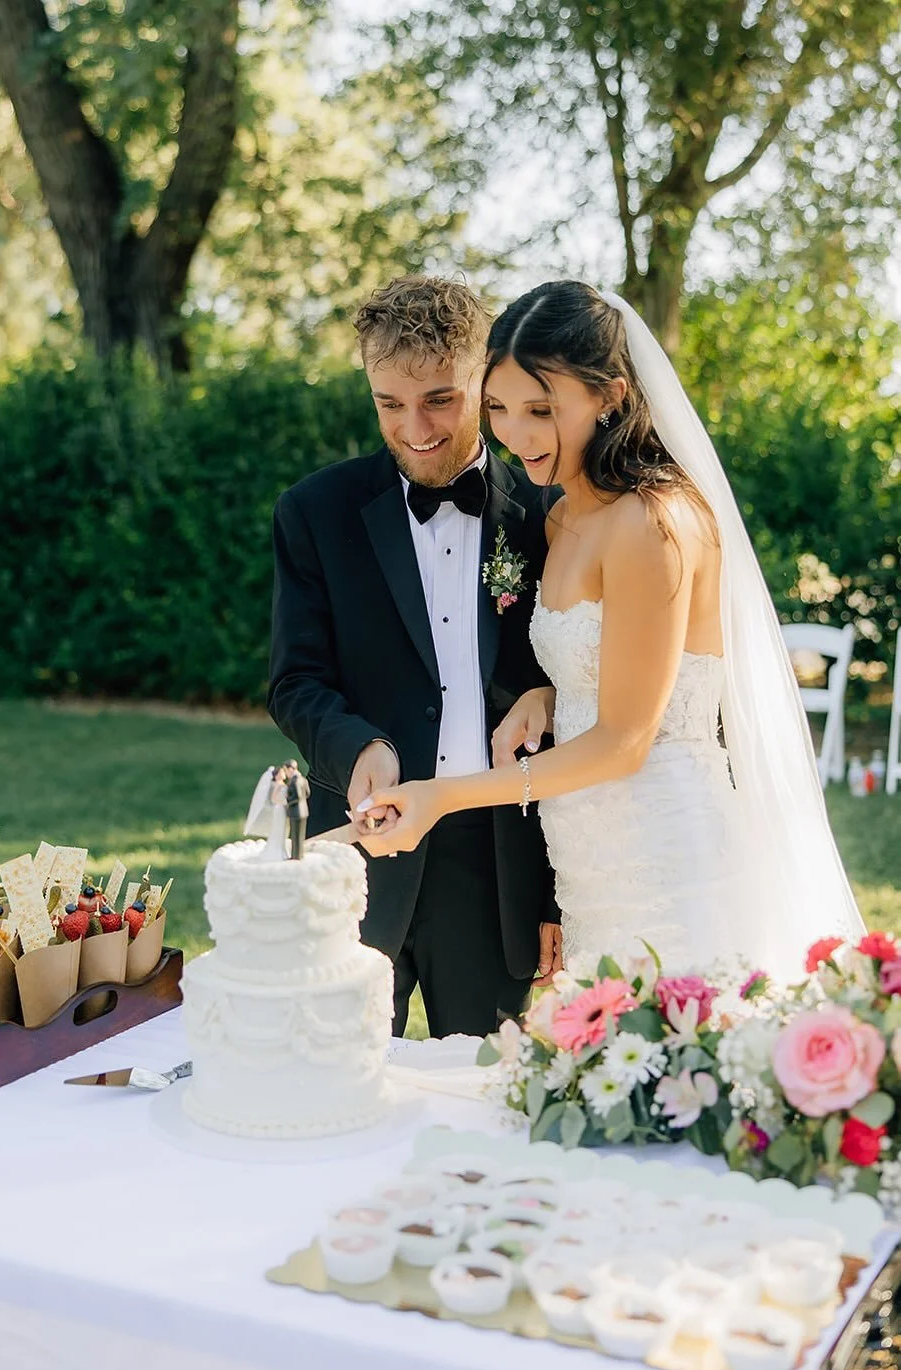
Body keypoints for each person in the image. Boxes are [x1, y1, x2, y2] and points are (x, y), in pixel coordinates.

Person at [354, 280, 863, 982]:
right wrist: (549, 697)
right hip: (590, 863)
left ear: (610, 394)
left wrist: (442, 794)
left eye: (542, 409)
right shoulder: (562, 516)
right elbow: (613, 671)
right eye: (497, 407)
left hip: (669, 853)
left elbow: (625, 742)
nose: (515, 433)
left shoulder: (654, 521)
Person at [268, 275, 561, 1036]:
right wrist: (356, 744)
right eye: (387, 403)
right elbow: (296, 681)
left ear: (485, 379)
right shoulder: (314, 513)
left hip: (496, 864)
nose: (414, 427)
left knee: (485, 1099)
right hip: (358, 855)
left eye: (439, 399)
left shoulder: (547, 511)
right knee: (338, 1087)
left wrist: (555, 898)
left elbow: (579, 687)